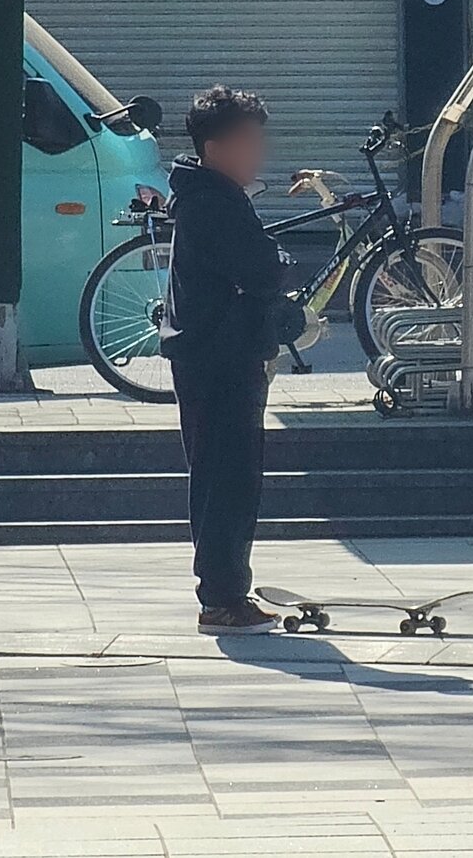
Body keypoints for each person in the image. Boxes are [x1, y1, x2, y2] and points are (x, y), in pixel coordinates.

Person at [160, 85, 285, 635]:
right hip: (220, 356)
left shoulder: (209, 194)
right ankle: (222, 597)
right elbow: (259, 269)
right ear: (217, 146)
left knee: (226, 476)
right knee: (228, 479)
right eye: (249, 141)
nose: (258, 153)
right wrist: (276, 267)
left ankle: (225, 589)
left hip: (218, 352)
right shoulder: (211, 200)